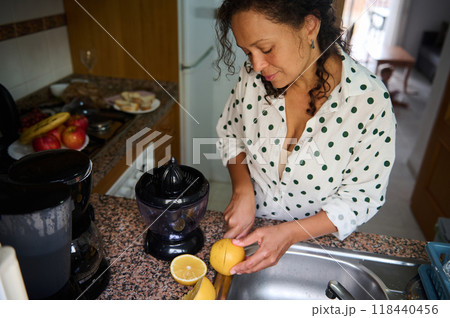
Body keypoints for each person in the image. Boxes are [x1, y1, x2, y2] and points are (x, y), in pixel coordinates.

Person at [215, 0, 396, 275]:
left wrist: (290, 233)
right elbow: (230, 133)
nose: (256, 64)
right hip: (253, 234)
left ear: (309, 26)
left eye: (266, 49)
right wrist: (242, 188)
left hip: (318, 247)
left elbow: (362, 198)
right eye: (247, 52)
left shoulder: (368, 102)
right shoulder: (252, 79)